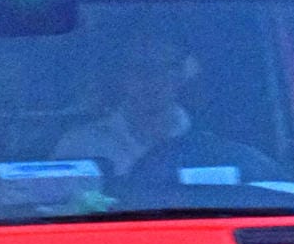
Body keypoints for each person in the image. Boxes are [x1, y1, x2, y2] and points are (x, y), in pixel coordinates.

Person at [51, 35, 197, 176]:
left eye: (166, 68)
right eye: (141, 68)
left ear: (182, 76)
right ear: (121, 76)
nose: (153, 79)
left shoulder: (210, 144)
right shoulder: (80, 145)